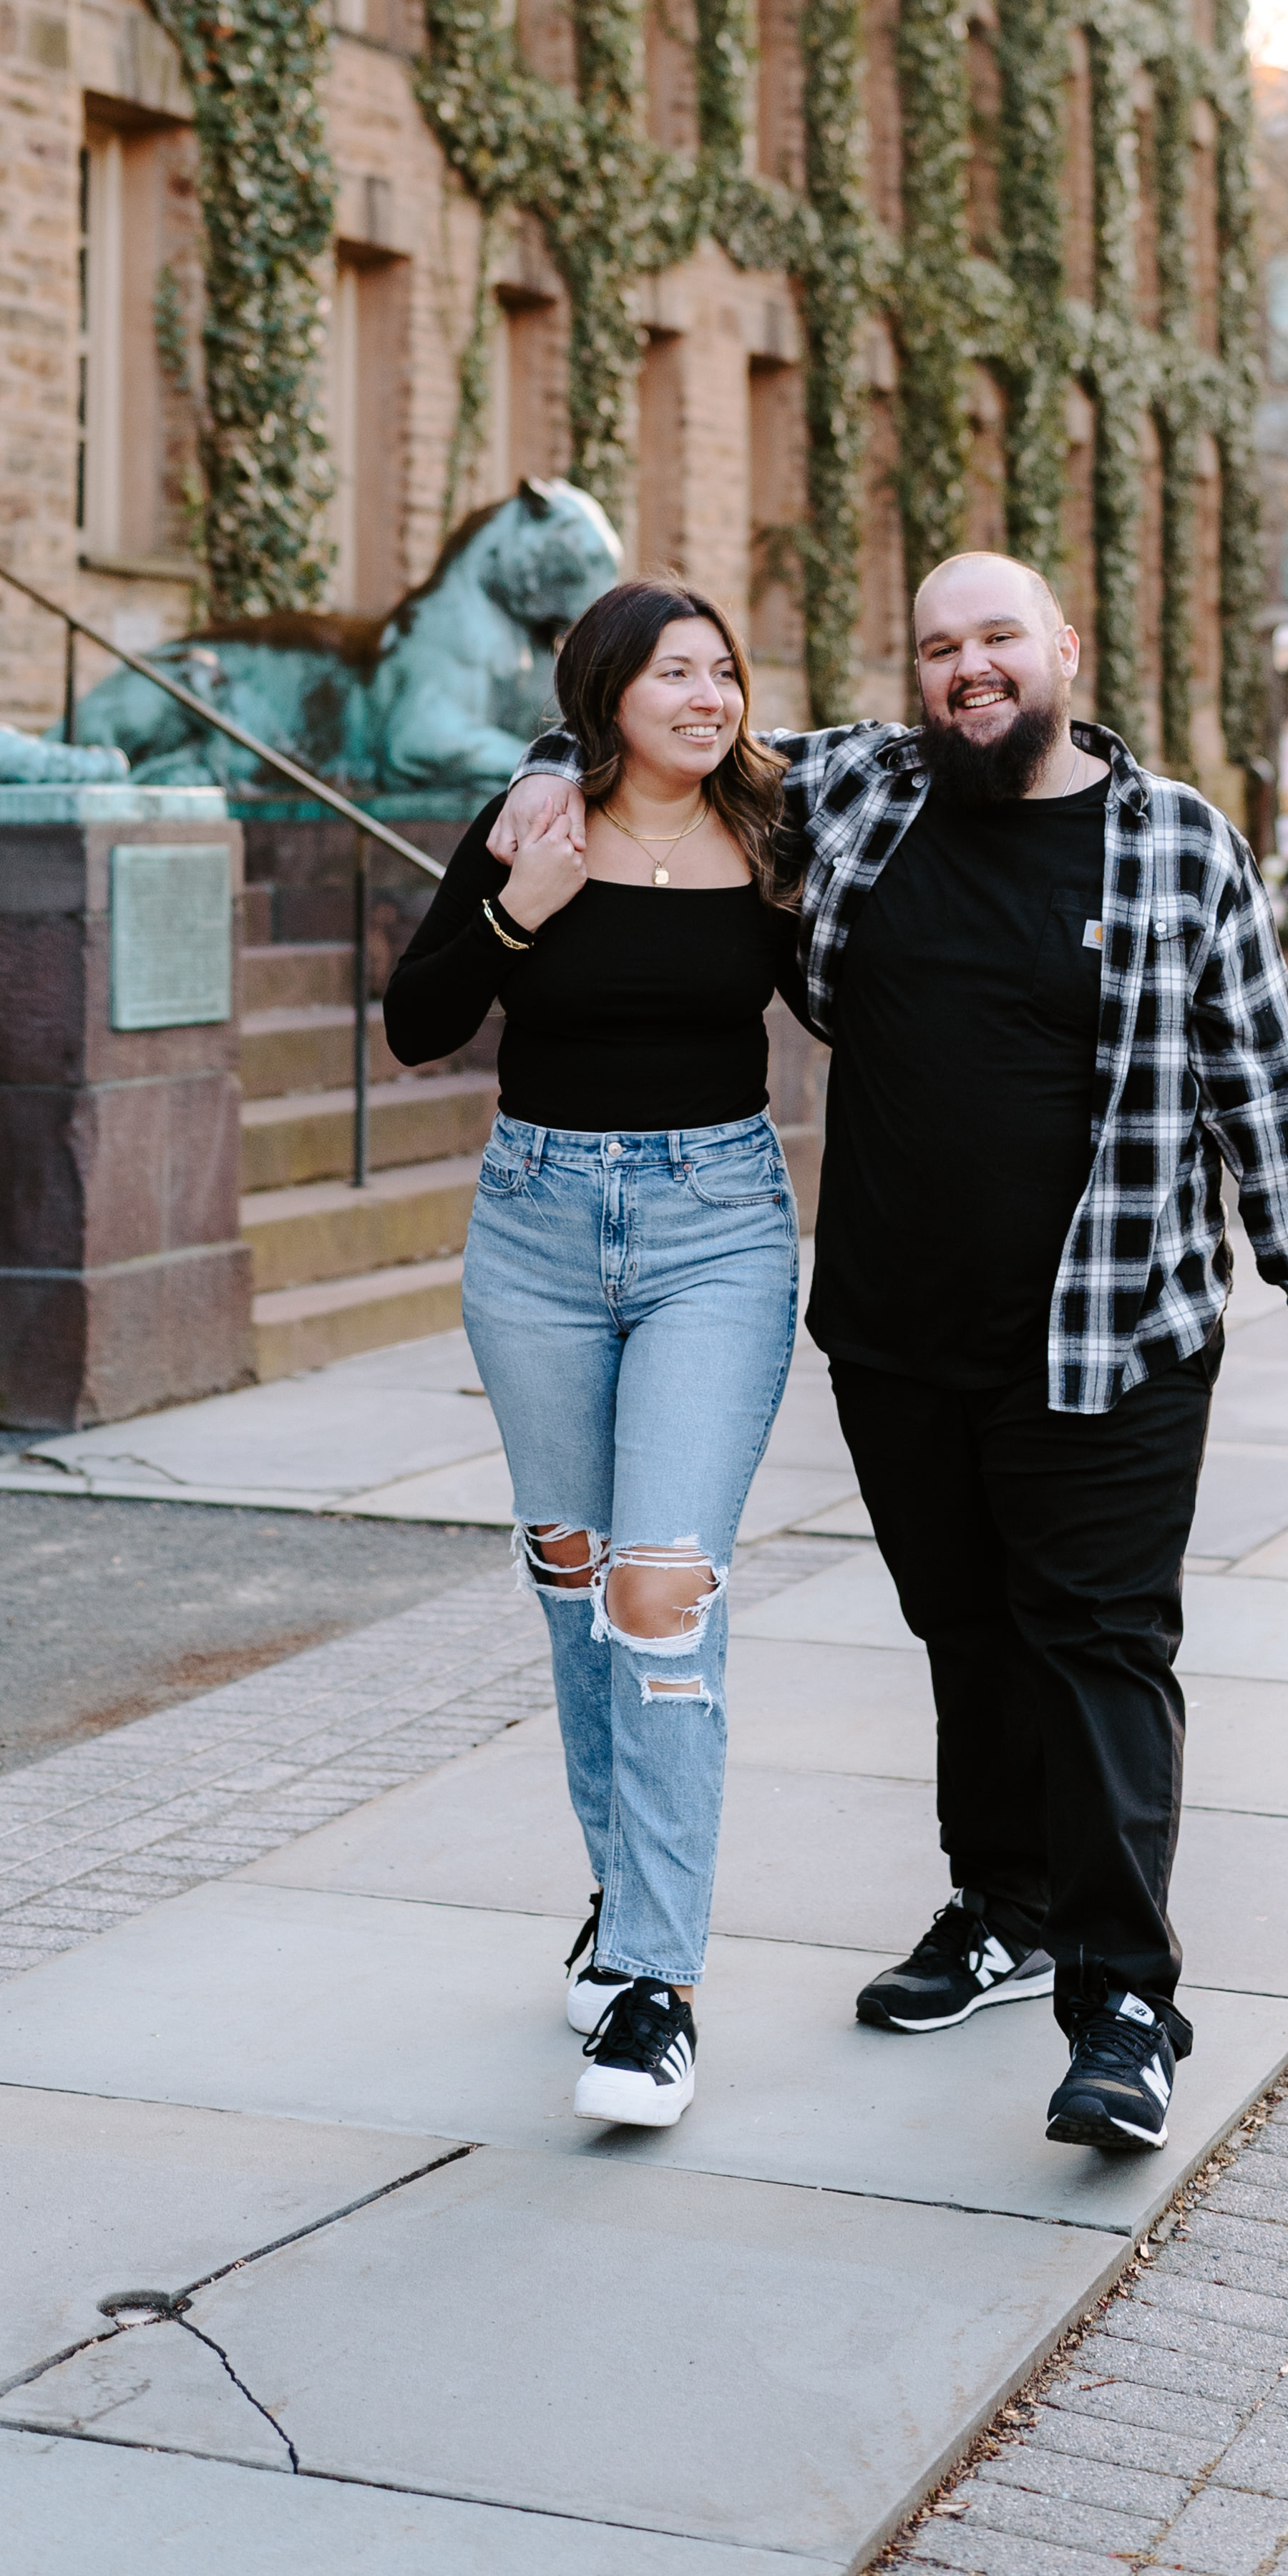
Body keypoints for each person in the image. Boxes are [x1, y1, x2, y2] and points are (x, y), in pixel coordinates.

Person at [491, 551, 1288, 2159]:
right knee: (962, 1630)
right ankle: (1001, 1905)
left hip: (1110, 1334)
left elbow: (1269, 1093)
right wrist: (548, 773)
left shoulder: (1175, 843)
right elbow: (672, 739)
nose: (966, 669)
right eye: (934, 648)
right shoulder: (862, 792)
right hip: (898, 1336)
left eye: (994, 640)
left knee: (1097, 1646)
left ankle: (1121, 2005)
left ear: (1059, 649)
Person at [382, 573, 802, 2134]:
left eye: (724, 674)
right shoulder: (531, 825)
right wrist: (514, 913)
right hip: (537, 1232)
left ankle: (654, 1990)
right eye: (674, 676)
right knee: (574, 1582)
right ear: (604, 695)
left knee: (661, 1586)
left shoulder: (775, 834)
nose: (708, 698)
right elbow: (414, 1023)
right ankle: (622, 1898)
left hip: (715, 1229)